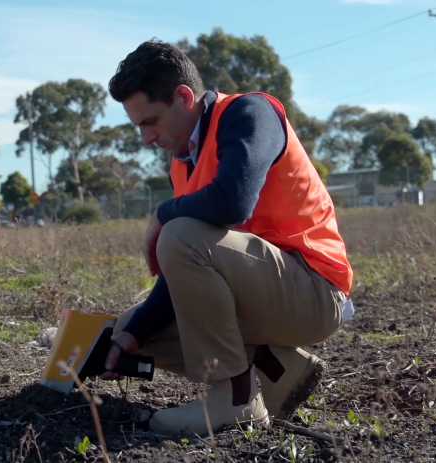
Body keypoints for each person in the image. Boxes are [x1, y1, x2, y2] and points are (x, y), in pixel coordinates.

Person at [99, 39, 353, 437]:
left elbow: (233, 203)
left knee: (179, 234)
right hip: (263, 295)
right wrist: (133, 333)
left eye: (150, 121)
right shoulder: (182, 165)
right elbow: (192, 267)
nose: (146, 138)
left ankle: (233, 399)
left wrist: (163, 214)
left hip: (314, 292)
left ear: (184, 97)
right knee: (129, 330)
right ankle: (278, 369)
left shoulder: (249, 112)